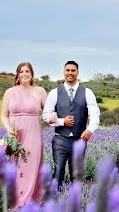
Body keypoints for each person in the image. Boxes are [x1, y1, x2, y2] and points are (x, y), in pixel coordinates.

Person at [41, 60, 100, 190]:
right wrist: (62, 121)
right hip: (60, 139)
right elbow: (45, 115)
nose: (70, 73)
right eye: (67, 70)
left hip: (79, 139)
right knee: (58, 170)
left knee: (76, 172)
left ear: (77, 72)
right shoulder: (54, 93)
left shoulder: (87, 92)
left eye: (73, 71)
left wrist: (90, 129)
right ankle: (56, 201)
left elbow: (95, 114)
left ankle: (75, 203)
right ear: (64, 72)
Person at [0, 61, 48, 208]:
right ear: (17, 75)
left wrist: (57, 119)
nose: (24, 74)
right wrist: (9, 129)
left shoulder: (40, 91)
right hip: (14, 135)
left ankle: (28, 203)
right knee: (15, 167)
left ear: (32, 74)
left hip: (33, 134)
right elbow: (3, 115)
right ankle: (14, 202)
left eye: (27, 71)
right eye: (21, 72)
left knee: (30, 167)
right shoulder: (10, 92)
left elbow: (48, 114)